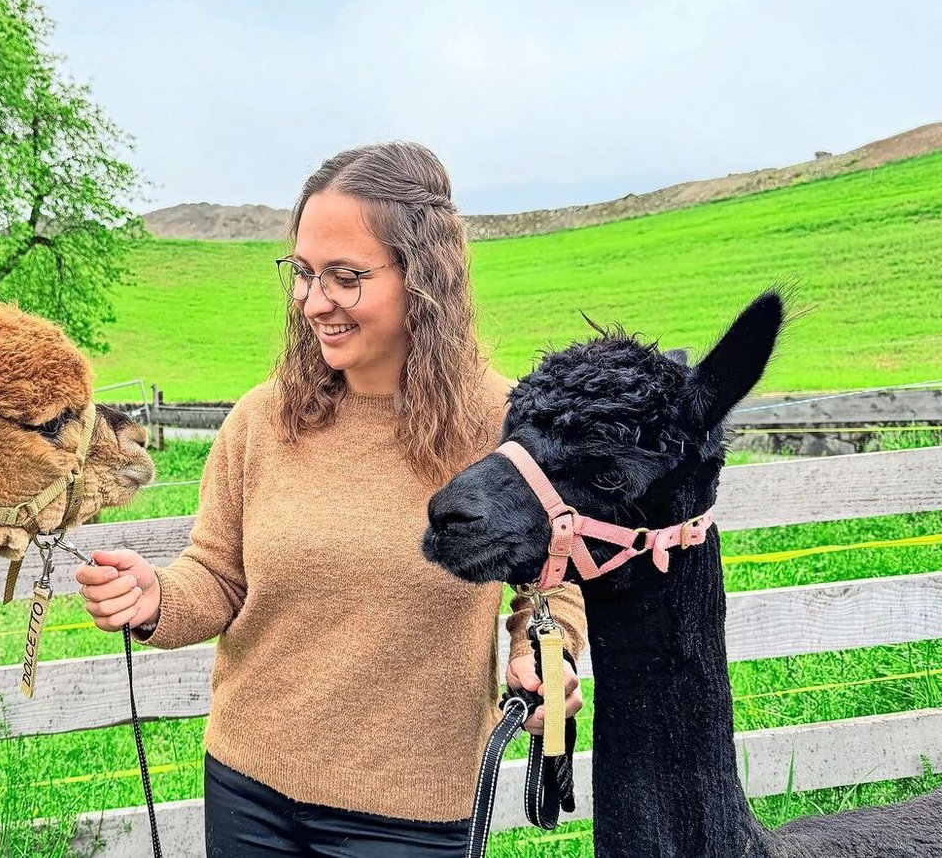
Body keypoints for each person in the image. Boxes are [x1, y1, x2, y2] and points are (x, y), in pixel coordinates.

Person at [76, 141, 588, 857]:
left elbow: (555, 590)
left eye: (345, 277)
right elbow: (218, 576)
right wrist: (152, 597)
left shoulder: (503, 424)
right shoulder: (261, 419)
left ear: (425, 277)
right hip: (247, 786)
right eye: (304, 273)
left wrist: (552, 673)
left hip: (411, 812)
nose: (314, 302)